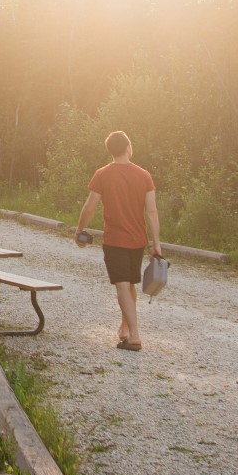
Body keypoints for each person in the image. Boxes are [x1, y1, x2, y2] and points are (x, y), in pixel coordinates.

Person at [75, 129, 160, 351]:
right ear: (128, 148)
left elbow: (90, 205)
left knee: (122, 285)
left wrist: (80, 229)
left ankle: (134, 336)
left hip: (115, 240)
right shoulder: (144, 175)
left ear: (110, 151)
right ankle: (124, 328)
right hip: (138, 240)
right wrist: (156, 244)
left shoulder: (102, 174)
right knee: (129, 283)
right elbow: (152, 212)